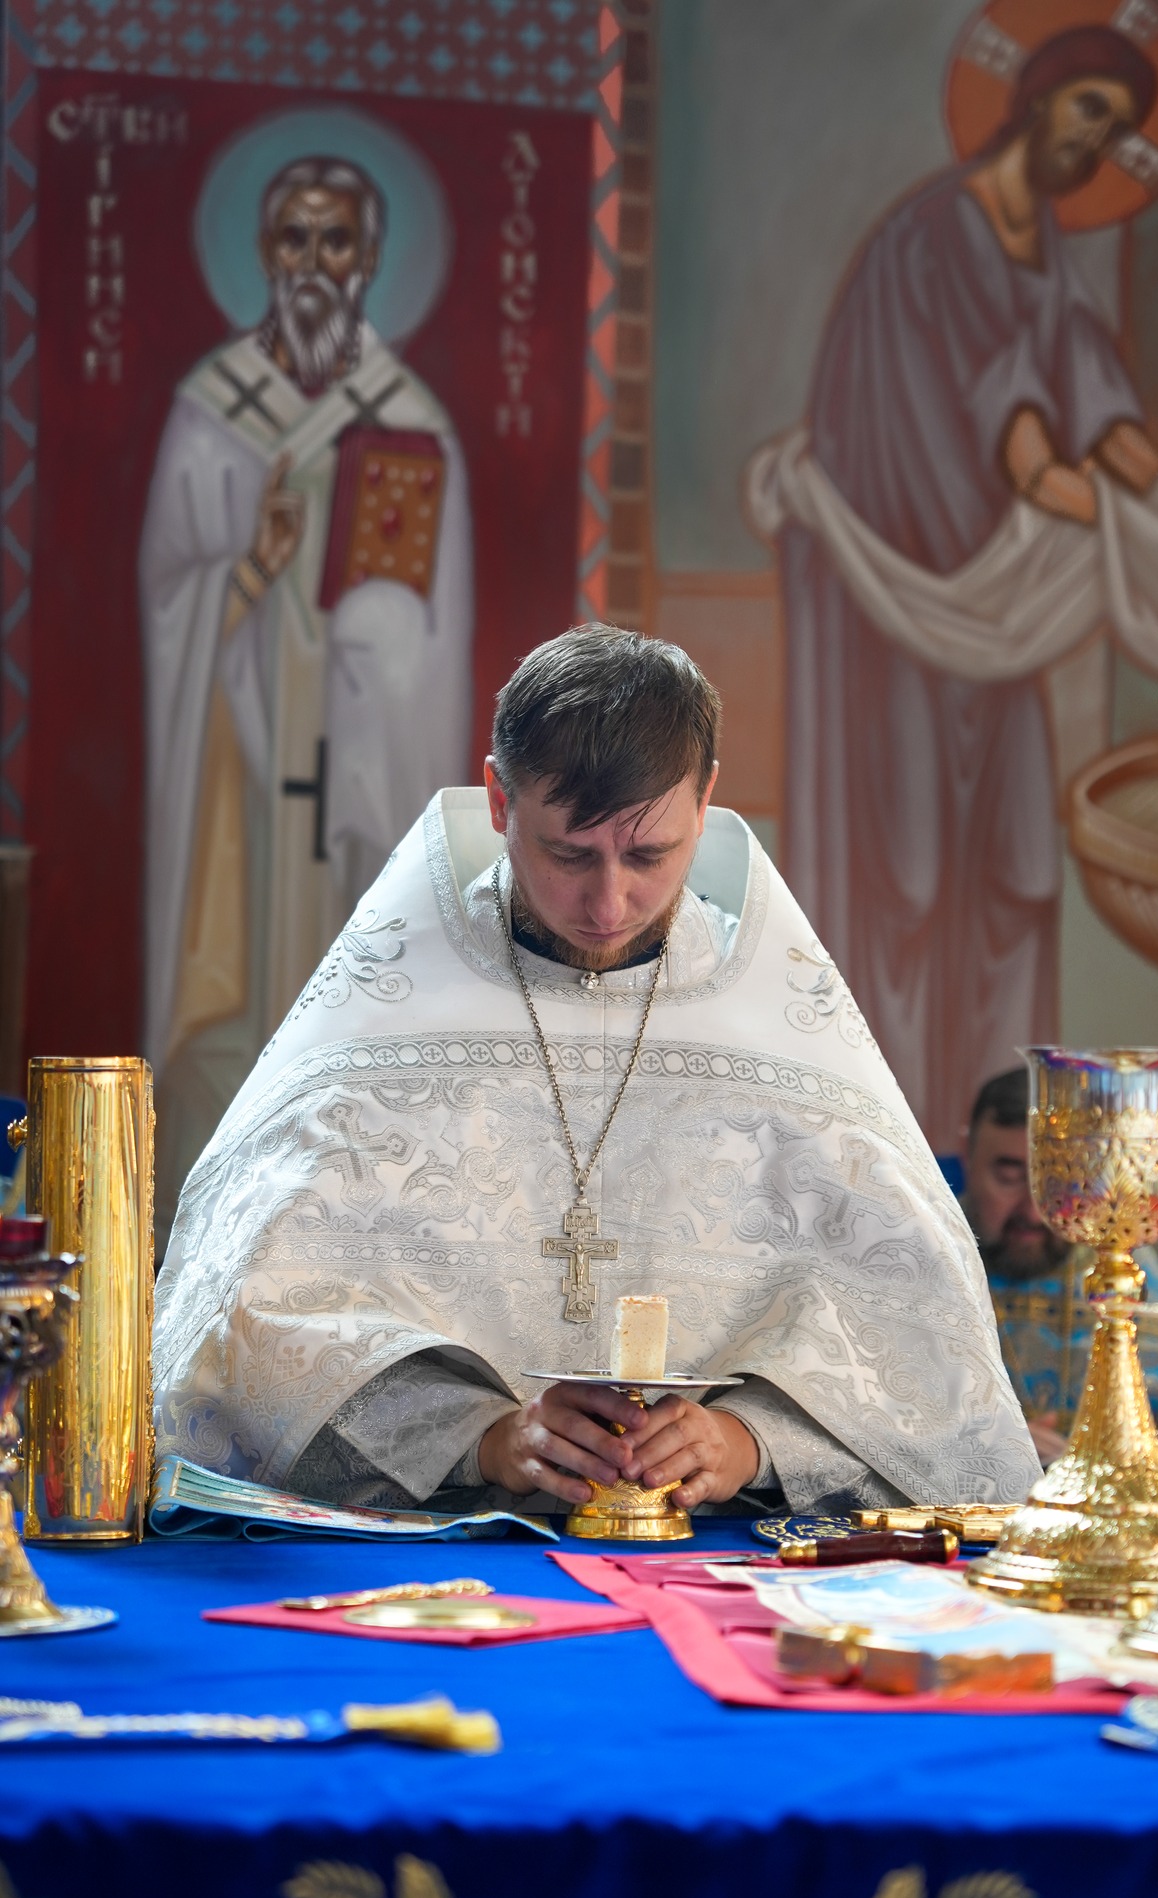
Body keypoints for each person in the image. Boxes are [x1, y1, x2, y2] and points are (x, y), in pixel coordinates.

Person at [153, 627, 1041, 1518]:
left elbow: (923, 1358)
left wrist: (750, 1441)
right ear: (499, 799)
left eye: (648, 856)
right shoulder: (382, 1019)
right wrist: (482, 1439)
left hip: (722, 1559)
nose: (608, 903)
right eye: (569, 854)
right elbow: (244, 1333)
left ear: (706, 800)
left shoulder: (783, 1034)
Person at [758, 23, 1158, 1156]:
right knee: (903, 880)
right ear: (1035, 96)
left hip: (998, 634)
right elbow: (1022, 453)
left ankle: (997, 1152)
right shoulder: (933, 240)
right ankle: (878, 1145)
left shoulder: (1045, 254)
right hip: (894, 622)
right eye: (1090, 108)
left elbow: (1108, 436)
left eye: (1119, 126)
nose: (1099, 138)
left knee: (1011, 877)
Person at [141, 154, 472, 1241]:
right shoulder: (211, 413)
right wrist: (248, 570)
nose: (315, 264)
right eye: (296, 238)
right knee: (230, 1026)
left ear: (370, 257)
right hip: (236, 787)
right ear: (264, 251)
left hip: (354, 793)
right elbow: (168, 601)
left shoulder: (411, 421)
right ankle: (206, 1242)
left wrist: (374, 653)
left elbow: (435, 640)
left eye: (337, 241)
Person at [960, 1067, 1158, 1505]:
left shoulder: (1123, 1272)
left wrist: (1098, 1476)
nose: (1034, 1212)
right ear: (967, 1156)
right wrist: (976, 1452)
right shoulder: (921, 1263)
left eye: (1058, 1181)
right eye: (1010, 1175)